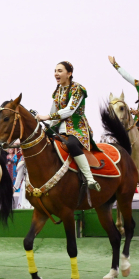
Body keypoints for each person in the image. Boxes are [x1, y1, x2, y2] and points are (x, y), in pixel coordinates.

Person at [35, 61, 100, 191]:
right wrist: (45, 127)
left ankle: (90, 179)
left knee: (71, 144)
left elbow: (69, 110)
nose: (56, 74)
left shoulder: (78, 89)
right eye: (55, 71)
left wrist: (47, 117)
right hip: (59, 128)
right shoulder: (57, 91)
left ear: (69, 73)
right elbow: (53, 112)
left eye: (60, 71)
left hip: (78, 129)